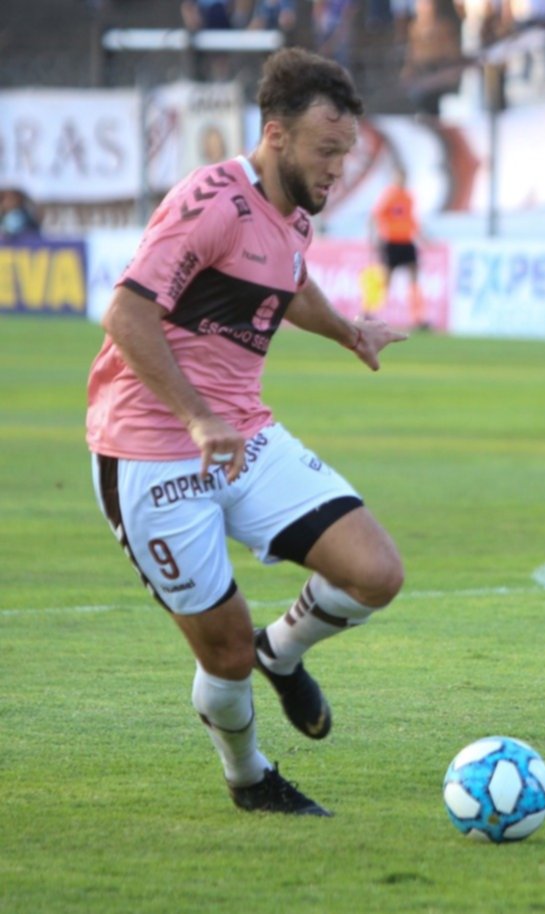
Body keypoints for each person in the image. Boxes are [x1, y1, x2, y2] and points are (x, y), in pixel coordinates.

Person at [86, 48, 407, 817]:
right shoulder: (210, 202)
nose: (338, 169)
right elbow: (126, 313)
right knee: (221, 650)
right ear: (275, 134)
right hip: (152, 449)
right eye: (326, 151)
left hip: (244, 436)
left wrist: (345, 333)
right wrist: (197, 413)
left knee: (375, 573)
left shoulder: (290, 212)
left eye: (346, 153)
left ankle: (282, 651)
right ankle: (249, 778)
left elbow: (288, 278)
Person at [370, 164, 428, 329]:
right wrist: (374, 237)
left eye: (403, 177)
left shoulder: (408, 197)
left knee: (414, 277)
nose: (401, 180)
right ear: (394, 178)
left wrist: (424, 237)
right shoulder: (389, 196)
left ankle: (418, 317)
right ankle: (372, 313)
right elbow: (376, 216)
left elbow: (412, 220)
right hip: (391, 241)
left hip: (407, 241)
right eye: (399, 177)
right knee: (386, 279)